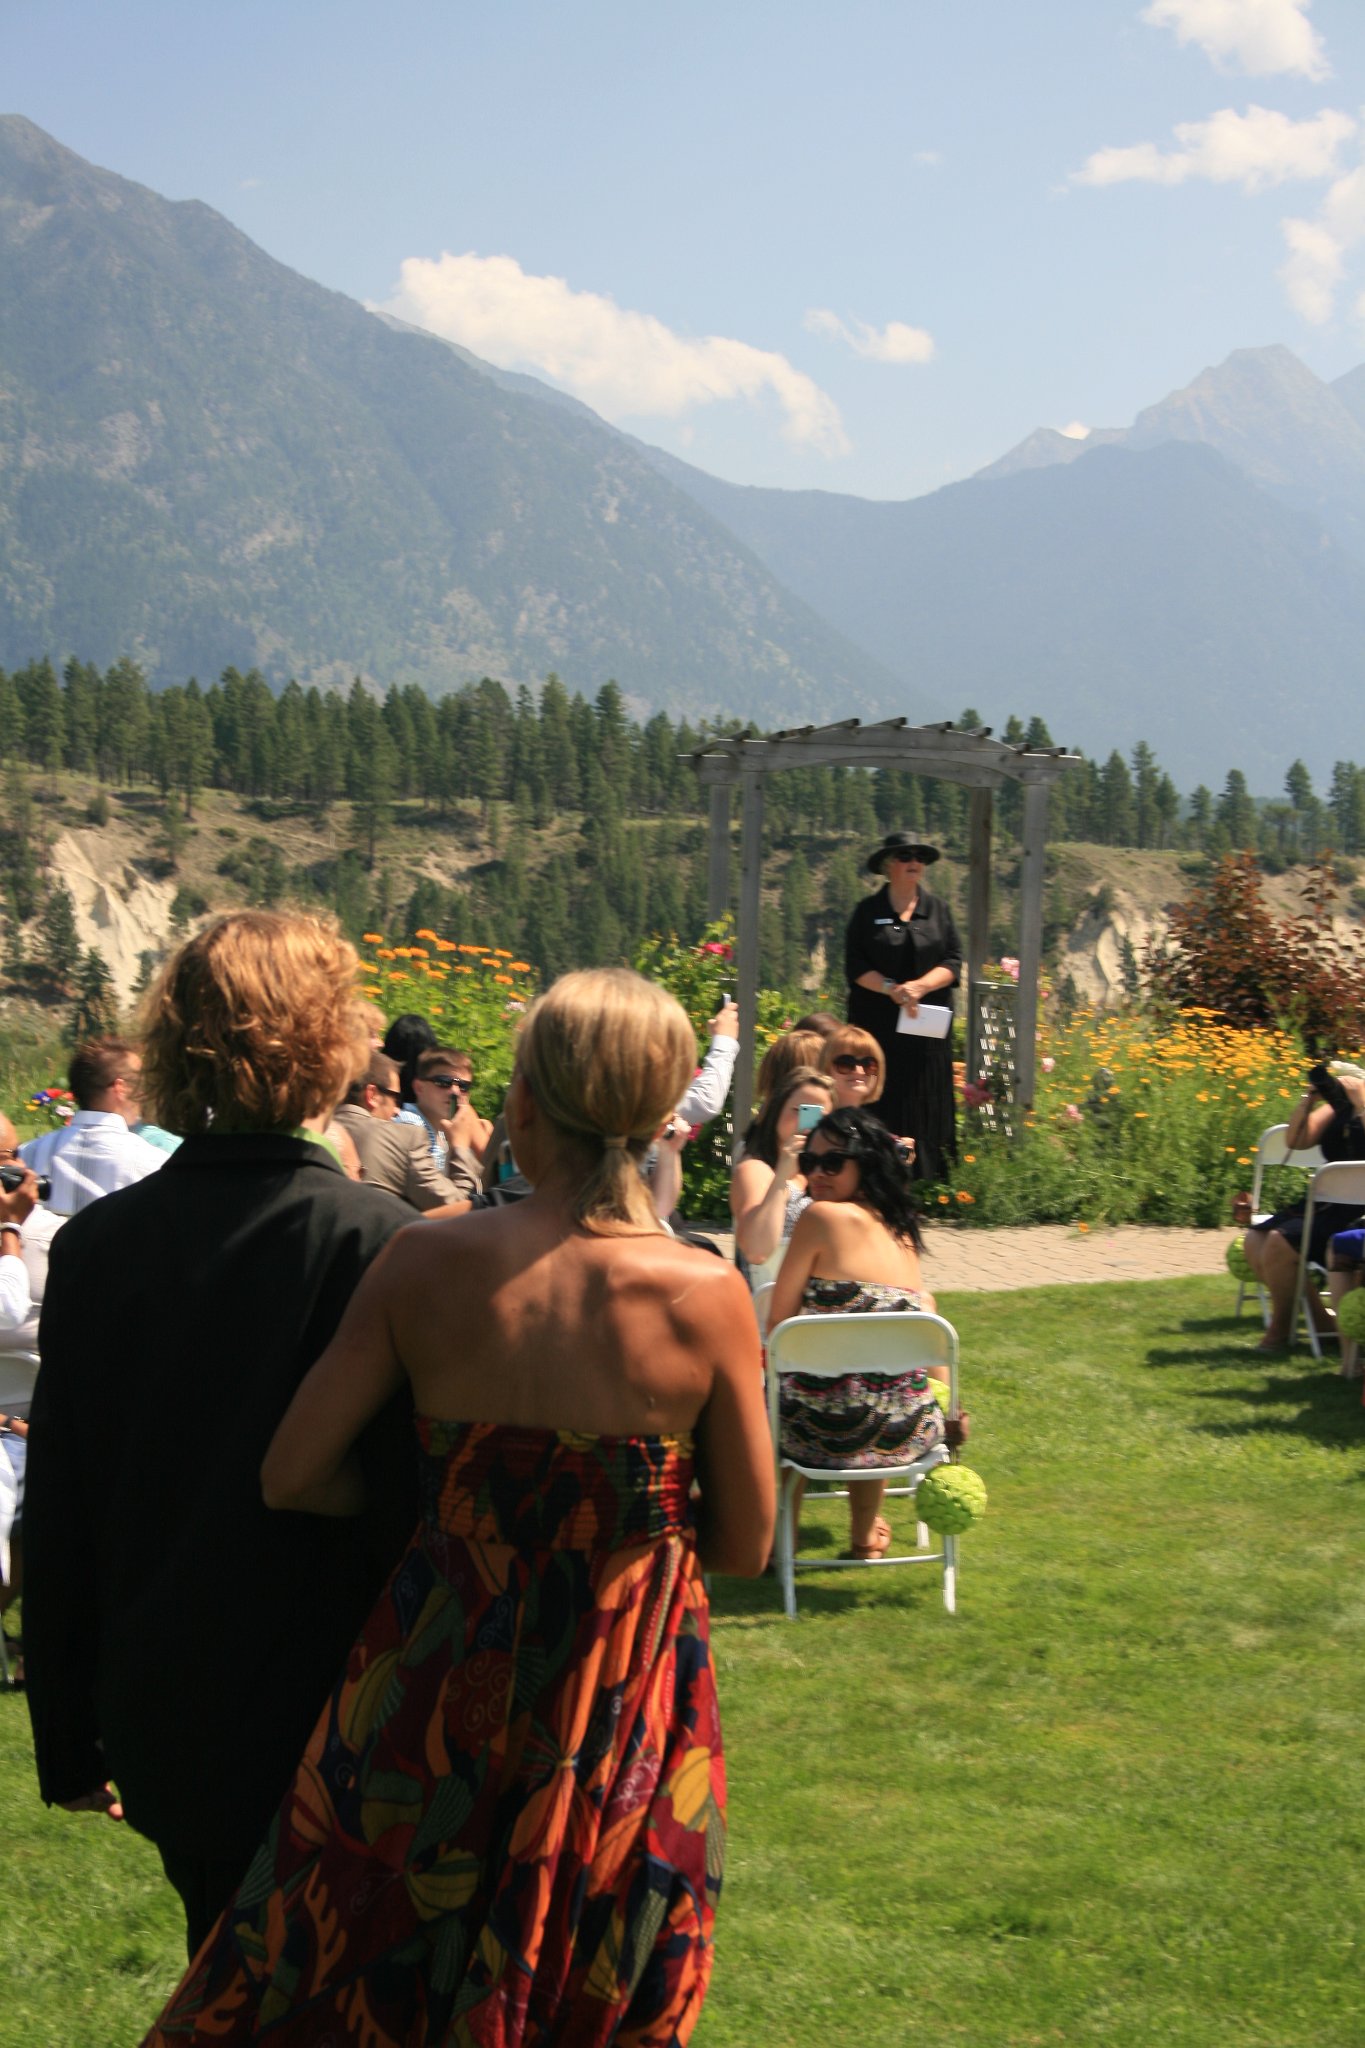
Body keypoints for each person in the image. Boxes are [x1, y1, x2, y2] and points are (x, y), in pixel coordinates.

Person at [143, 966, 774, 2045]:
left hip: (442, 1661)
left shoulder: (426, 1258)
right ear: (661, 1111)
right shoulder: (702, 1292)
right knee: (592, 1968)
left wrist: (461, 1509)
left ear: (523, 1102)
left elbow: (294, 1472)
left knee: (378, 1957)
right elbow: (746, 1542)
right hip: (620, 1683)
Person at [24, 912, 418, 1955]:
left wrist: (65, 1729)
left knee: (223, 1967)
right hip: (339, 1699)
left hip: (166, 1696)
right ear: (330, 1042)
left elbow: (59, 1502)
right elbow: (407, 1500)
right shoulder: (380, 1241)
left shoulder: (98, 1243)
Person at [769, 1106, 957, 1559]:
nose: (817, 1173)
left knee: (788, 1391)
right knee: (876, 1383)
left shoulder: (819, 1218)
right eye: (810, 1162)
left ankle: (780, 1539)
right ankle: (864, 1537)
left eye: (833, 1162)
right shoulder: (902, 1229)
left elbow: (778, 1323)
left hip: (812, 1428)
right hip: (906, 1429)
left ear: (867, 1163)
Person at [844, 831, 962, 1183]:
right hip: (877, 1029)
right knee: (879, 1096)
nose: (914, 863)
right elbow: (855, 966)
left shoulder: (939, 910)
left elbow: (953, 961)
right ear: (888, 865)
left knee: (927, 1099)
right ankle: (876, 1175)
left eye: (920, 858)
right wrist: (890, 989)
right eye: (906, 856)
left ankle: (932, 1183)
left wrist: (921, 987)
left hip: (927, 1033)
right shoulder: (867, 912)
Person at [1244, 1060, 1365, 1353]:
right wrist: (1309, 1099)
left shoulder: (1359, 1100)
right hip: (1328, 1203)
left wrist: (1361, 1104)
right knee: (1255, 1240)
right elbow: (1296, 1140)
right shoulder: (1339, 1106)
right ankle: (1321, 1321)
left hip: (1358, 1209)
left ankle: (1280, 1330)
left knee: (1279, 1242)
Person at [19, 1037, 166, 1213]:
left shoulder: (27, 1154)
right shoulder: (151, 1163)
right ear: (120, 1088)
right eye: (140, 1083)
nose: (144, 1093)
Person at [729, 1066, 835, 1289]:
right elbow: (756, 1251)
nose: (807, 1123)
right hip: (772, 1295)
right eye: (799, 1110)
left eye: (820, 1116)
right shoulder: (755, 1169)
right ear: (776, 1111)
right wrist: (781, 1178)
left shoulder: (830, 1172)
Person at [334, 1051, 478, 1207]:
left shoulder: (323, 1126)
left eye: (464, 1086)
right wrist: (461, 1146)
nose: (455, 1092)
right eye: (443, 1082)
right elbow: (456, 1205)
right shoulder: (408, 1125)